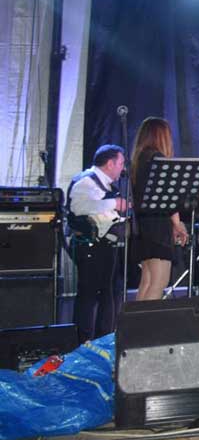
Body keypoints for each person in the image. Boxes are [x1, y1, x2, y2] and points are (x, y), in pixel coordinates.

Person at [67, 144, 129, 343]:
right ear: (110, 163)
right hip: (89, 247)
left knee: (108, 293)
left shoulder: (106, 185)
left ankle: (103, 339)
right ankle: (81, 342)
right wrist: (115, 204)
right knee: (89, 295)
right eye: (121, 163)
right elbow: (78, 207)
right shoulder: (86, 181)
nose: (123, 168)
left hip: (104, 246)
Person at [130, 118, 188, 301]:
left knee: (146, 281)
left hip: (143, 226)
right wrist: (177, 224)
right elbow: (169, 194)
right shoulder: (158, 159)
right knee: (159, 282)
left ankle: (135, 326)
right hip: (158, 227)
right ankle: (147, 327)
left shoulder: (139, 160)